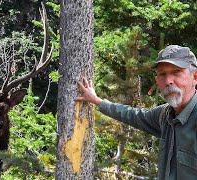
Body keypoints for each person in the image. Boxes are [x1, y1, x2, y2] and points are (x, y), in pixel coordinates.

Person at [77, 45, 197, 180]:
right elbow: (133, 115)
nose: (168, 81)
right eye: (162, 74)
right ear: (157, 81)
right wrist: (97, 101)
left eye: (176, 72)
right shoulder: (165, 115)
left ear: (195, 77)